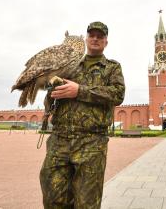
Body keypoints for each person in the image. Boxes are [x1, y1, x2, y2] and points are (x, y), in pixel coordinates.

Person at [39, 21, 125, 209]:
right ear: (86, 39)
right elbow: (50, 100)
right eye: (91, 35)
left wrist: (80, 90)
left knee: (86, 203)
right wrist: (50, 92)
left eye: (100, 36)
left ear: (106, 42)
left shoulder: (112, 68)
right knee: (53, 198)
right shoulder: (68, 65)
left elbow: (117, 94)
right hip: (59, 140)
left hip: (91, 143)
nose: (95, 38)